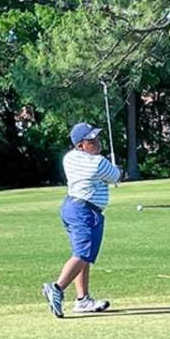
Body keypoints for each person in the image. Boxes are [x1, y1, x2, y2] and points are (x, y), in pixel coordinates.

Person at [42, 122, 122, 318]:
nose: (97, 142)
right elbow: (117, 176)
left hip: (71, 207)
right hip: (85, 210)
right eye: (91, 140)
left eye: (97, 138)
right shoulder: (98, 163)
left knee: (81, 255)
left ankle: (83, 300)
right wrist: (115, 167)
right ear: (80, 145)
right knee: (83, 254)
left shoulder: (69, 158)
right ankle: (57, 288)